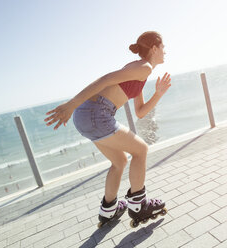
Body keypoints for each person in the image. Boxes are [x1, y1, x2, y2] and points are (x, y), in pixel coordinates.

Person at [44, 31, 171, 228]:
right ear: (154, 49)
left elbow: (139, 112)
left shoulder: (141, 71)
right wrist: (71, 104)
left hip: (87, 116)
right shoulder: (143, 68)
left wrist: (159, 93)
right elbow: (105, 79)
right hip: (96, 112)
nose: (166, 51)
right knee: (142, 150)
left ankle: (109, 209)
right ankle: (138, 205)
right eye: (163, 47)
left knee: (119, 161)